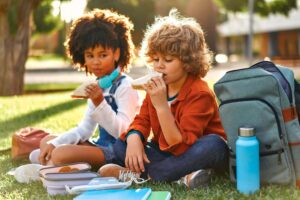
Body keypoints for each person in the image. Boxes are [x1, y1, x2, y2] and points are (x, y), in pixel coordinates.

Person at [99, 9, 228, 189]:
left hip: (194, 151)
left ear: (188, 61)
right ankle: (181, 177)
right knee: (123, 144)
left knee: (214, 145)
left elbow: (182, 147)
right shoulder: (159, 85)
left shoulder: (200, 93)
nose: (159, 65)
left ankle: (149, 175)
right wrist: (135, 138)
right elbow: (142, 120)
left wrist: (161, 106)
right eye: (156, 58)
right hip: (166, 153)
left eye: (167, 59)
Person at [29, 9, 140, 169]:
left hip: (119, 151)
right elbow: (85, 130)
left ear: (116, 53)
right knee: (47, 141)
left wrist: (99, 102)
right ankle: (54, 162)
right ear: (83, 57)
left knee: (60, 154)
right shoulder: (98, 86)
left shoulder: (125, 86)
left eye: (103, 55)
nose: (96, 62)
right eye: (90, 56)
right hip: (100, 146)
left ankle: (54, 163)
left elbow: (123, 132)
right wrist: (54, 143)